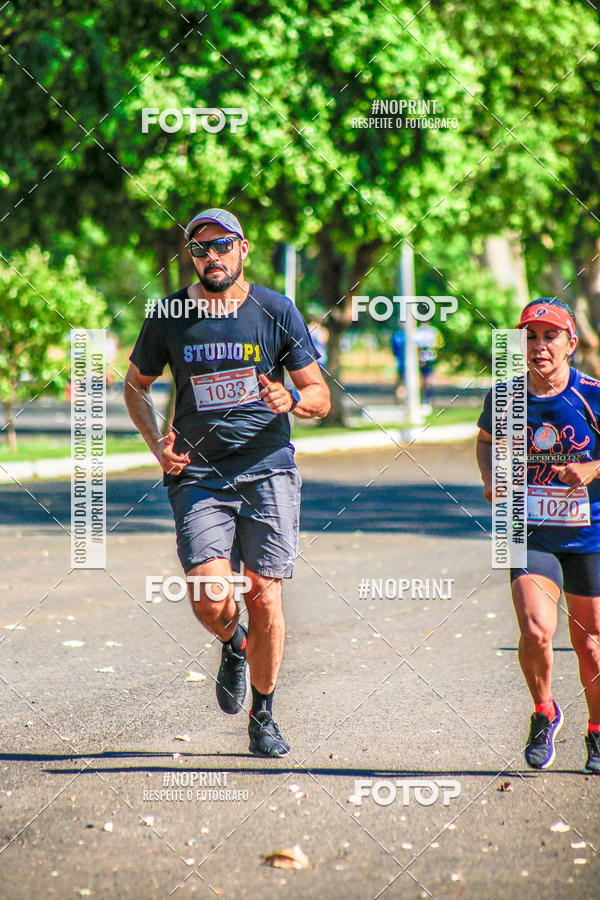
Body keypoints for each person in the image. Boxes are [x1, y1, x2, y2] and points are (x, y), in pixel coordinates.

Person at [124, 208, 330, 757]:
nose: (210, 256)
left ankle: (264, 714)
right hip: (199, 474)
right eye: (199, 249)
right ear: (190, 256)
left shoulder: (275, 310)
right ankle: (233, 644)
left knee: (264, 595)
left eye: (221, 246)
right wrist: (155, 444)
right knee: (210, 598)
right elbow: (136, 386)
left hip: (268, 467)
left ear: (243, 249)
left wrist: (293, 399)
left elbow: (320, 396)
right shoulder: (169, 314)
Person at [476, 298, 600, 774]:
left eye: (550, 336)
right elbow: (486, 442)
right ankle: (544, 711)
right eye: (530, 336)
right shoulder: (505, 397)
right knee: (535, 628)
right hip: (526, 528)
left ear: (571, 344)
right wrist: (490, 479)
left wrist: (590, 468)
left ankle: (596, 732)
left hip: (590, 532)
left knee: (590, 643)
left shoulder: (592, 395)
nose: (539, 345)